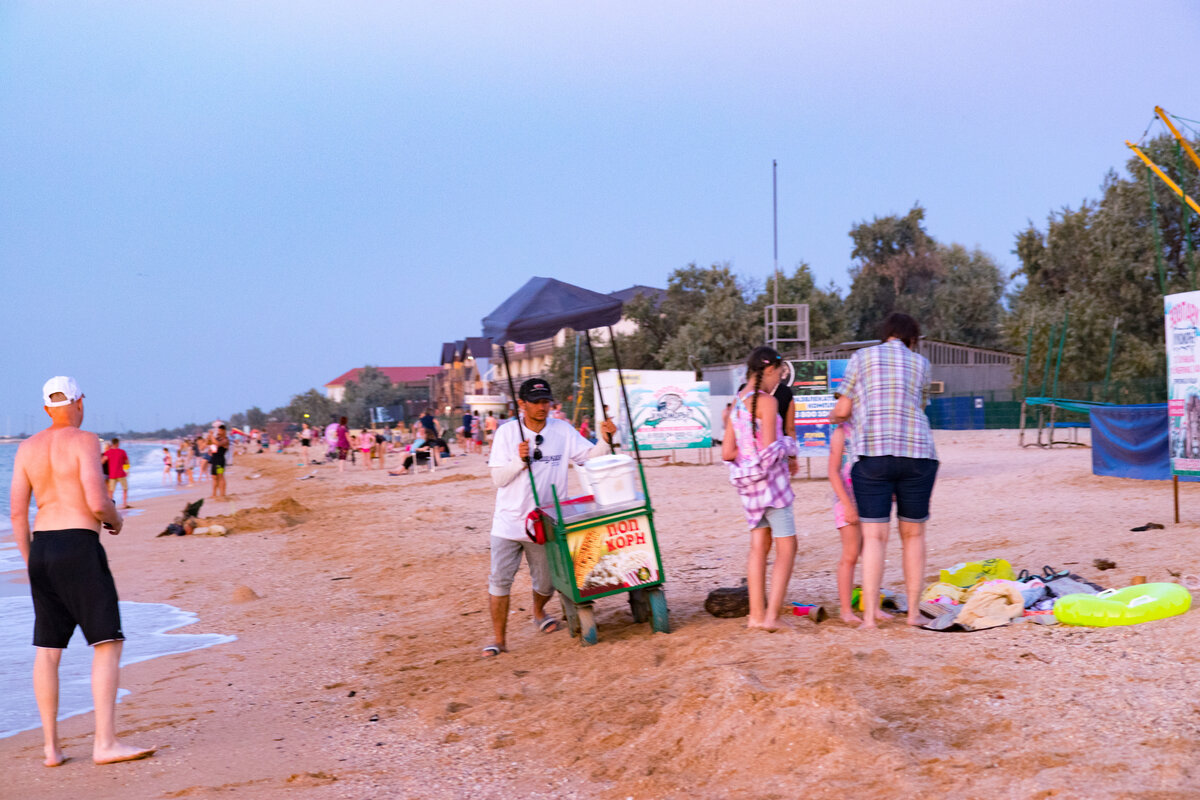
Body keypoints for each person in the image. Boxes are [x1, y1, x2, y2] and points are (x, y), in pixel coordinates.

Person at [9, 376, 156, 767]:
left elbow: (17, 514)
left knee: (48, 650)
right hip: (77, 545)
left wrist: (30, 561)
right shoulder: (85, 439)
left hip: (42, 549)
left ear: (45, 409)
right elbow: (95, 499)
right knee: (106, 641)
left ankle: (51, 748)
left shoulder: (26, 448)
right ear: (79, 402)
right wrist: (117, 519)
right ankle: (104, 743)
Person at [483, 378, 616, 657]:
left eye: (546, 401)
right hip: (508, 523)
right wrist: (518, 461)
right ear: (522, 404)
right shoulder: (507, 434)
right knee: (499, 581)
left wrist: (605, 439)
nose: (543, 407)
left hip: (545, 522)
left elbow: (589, 457)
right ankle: (499, 639)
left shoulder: (563, 430)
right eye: (536, 402)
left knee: (545, 583)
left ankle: (538, 611)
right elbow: (498, 479)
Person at [830, 312, 938, 629]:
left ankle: (868, 621)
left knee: (874, 536)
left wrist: (836, 416)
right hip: (918, 453)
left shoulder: (861, 357)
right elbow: (919, 408)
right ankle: (915, 614)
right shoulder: (921, 363)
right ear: (912, 338)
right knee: (914, 534)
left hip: (873, 453)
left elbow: (844, 409)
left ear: (885, 334)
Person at [721, 347, 799, 631]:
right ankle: (772, 617)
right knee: (787, 547)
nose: (780, 379)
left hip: (749, 491)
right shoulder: (766, 402)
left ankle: (755, 616)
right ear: (768, 370)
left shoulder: (737, 402)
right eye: (779, 373)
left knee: (758, 547)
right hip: (774, 488)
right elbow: (768, 454)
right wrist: (789, 446)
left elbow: (727, 452)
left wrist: (748, 452)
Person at [103, 438, 131, 509]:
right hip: (121, 474)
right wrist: (127, 470)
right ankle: (124, 504)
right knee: (125, 489)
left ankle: (111, 506)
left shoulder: (108, 452)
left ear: (112, 443)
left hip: (112, 475)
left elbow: (103, 461)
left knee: (111, 491)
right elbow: (127, 462)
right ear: (118, 443)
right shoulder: (122, 452)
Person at [210, 424, 230, 498]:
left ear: (223, 431)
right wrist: (210, 437)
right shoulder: (217, 438)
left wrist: (212, 436)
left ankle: (222, 493)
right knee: (214, 477)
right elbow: (210, 443)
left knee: (220, 476)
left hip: (220, 460)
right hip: (214, 460)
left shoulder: (225, 439)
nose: (219, 432)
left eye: (220, 430)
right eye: (218, 430)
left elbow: (218, 444)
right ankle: (214, 494)